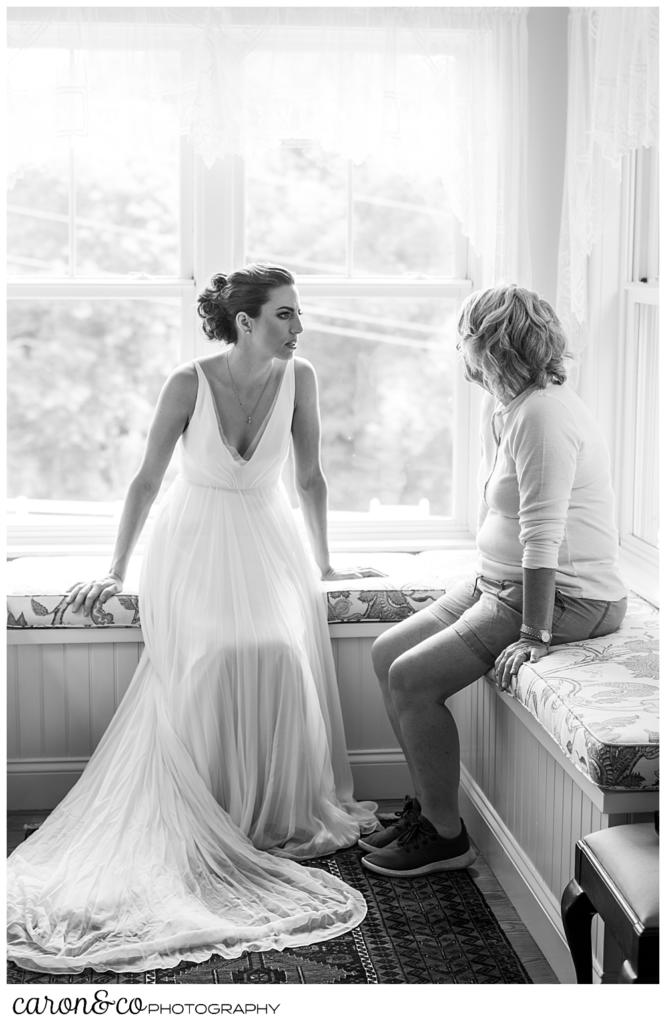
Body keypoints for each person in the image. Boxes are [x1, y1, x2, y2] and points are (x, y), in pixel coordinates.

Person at [7, 264, 381, 975]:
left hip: (268, 544)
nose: (299, 328)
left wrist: (327, 568)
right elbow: (146, 479)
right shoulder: (188, 382)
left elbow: (310, 478)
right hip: (193, 546)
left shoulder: (301, 379)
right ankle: (209, 809)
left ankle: (267, 813)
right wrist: (115, 572)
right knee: (212, 657)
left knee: (278, 651)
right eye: (286, 315)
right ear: (244, 321)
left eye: (297, 315)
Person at [360, 284, 627, 878]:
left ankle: (446, 836)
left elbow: (543, 535)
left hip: (567, 597)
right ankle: (428, 811)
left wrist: (534, 632)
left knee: (412, 678)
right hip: (500, 581)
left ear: (487, 345)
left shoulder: (544, 414)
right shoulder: (508, 407)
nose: (460, 350)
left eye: (465, 338)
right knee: (386, 654)